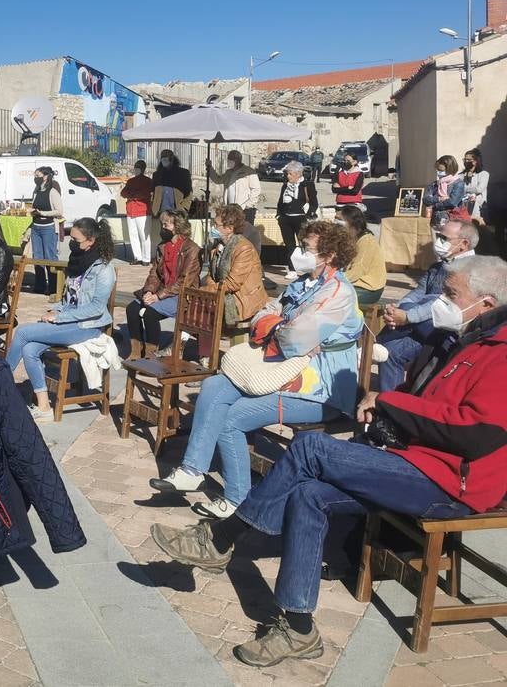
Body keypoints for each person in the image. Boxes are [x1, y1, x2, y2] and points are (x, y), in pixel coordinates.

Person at [148, 258, 507, 668]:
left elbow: (477, 433)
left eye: (451, 294)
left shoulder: (499, 353)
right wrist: (387, 413)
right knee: (308, 494)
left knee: (310, 449)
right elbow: (419, 397)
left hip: (454, 483)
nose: (440, 300)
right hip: (415, 461)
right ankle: (299, 628)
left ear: (486, 303)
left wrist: (392, 403)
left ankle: (220, 538)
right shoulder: (455, 339)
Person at [150, 220, 362, 518]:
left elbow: (295, 338)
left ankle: (238, 499)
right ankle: (192, 470)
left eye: (307, 248)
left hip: (319, 390)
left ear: (329, 255)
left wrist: (281, 329)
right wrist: (280, 327)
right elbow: (263, 314)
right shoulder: (303, 283)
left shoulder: (338, 292)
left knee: (232, 419)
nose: (299, 252)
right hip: (280, 368)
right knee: (214, 385)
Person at [6, 217, 117, 422]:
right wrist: (54, 310)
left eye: (76, 239)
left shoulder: (103, 269)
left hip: (87, 325)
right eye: (71, 238)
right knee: (29, 349)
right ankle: (44, 407)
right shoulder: (77, 262)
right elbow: (68, 299)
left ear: (91, 240)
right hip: (69, 321)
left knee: (22, 332)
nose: (71, 243)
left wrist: (59, 316)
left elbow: (96, 308)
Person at [375, 217, 477, 392]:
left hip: (449, 331)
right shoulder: (438, 266)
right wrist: (399, 309)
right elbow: (418, 292)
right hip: (423, 328)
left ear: (464, 244)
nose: (439, 241)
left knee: (429, 302)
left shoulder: (471, 270)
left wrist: (407, 316)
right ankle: (389, 403)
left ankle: (374, 342)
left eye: (444, 238)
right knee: (390, 352)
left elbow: (444, 302)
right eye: (439, 236)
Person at [125, 209, 201, 359]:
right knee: (132, 309)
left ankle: (150, 354)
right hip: (162, 291)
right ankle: (136, 351)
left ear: (178, 226)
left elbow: (184, 281)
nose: (163, 228)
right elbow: (154, 273)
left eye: (166, 224)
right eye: (162, 224)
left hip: (182, 294)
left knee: (150, 313)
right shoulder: (163, 246)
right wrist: (149, 291)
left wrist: (158, 297)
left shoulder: (191, 249)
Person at [202, 204, 267, 329]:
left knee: (199, 311)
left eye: (216, 225)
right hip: (222, 293)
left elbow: (232, 284)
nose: (213, 228)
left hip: (242, 300)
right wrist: (210, 288)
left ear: (229, 228)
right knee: (193, 308)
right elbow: (211, 274)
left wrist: (207, 291)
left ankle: (187, 340)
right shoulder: (219, 246)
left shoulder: (244, 248)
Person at [337, 205, 386, 305]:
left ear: (351, 223)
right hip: (354, 283)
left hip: (368, 289)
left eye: (340, 220)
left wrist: (334, 280)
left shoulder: (366, 241)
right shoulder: (351, 239)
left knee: (332, 296)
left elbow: (357, 271)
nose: (337, 223)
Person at [275, 160, 318, 270]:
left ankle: (306, 267)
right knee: (289, 245)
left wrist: (308, 215)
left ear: (298, 174)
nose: (288, 176)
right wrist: (279, 215)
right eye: (287, 173)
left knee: (304, 243)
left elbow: (314, 203)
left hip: (301, 219)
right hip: (286, 219)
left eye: (290, 174)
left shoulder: (307, 185)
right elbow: (280, 202)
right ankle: (292, 269)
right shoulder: (286, 185)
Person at [28, 166, 63, 296]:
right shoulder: (36, 191)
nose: (35, 178)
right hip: (36, 227)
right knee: (37, 257)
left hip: (48, 227)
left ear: (46, 176)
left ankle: (53, 286)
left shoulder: (53, 192)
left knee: (50, 257)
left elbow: (59, 211)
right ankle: (40, 285)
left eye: (38, 175)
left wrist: (42, 213)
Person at [207, 150, 261, 224]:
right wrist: (210, 168)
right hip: (230, 210)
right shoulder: (229, 172)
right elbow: (217, 180)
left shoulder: (249, 172)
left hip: (244, 210)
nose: (228, 161)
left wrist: (248, 205)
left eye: (230, 159)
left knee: (244, 229)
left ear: (237, 159)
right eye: (228, 159)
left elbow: (256, 189)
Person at [120, 159, 154, 265]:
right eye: (136, 167)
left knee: (144, 236)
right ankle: (137, 257)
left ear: (143, 169)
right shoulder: (131, 181)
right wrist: (134, 195)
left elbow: (144, 194)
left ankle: (146, 259)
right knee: (133, 235)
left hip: (142, 211)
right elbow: (123, 192)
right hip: (131, 211)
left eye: (138, 167)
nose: (136, 169)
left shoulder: (148, 181)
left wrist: (131, 195)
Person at [151, 149, 193, 223]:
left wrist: (184, 208)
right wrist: (153, 208)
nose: (164, 160)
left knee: (178, 230)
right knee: (164, 230)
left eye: (166, 157)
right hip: (162, 213)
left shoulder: (183, 173)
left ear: (172, 159)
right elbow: (152, 193)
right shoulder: (157, 175)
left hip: (177, 213)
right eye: (162, 157)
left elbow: (189, 194)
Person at [423, 154, 466, 225]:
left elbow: (452, 203)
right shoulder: (435, 184)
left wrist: (434, 206)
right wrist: (439, 199)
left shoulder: (458, 183)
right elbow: (426, 200)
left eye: (441, 170)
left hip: (452, 220)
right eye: (437, 170)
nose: (438, 172)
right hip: (435, 220)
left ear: (449, 169)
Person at [462, 148, 489, 220]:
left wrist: (464, 189)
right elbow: (458, 189)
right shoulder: (461, 175)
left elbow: (479, 189)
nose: (466, 161)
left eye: (468, 160)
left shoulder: (483, 174)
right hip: (464, 207)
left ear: (475, 161)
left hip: (478, 207)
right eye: (465, 159)